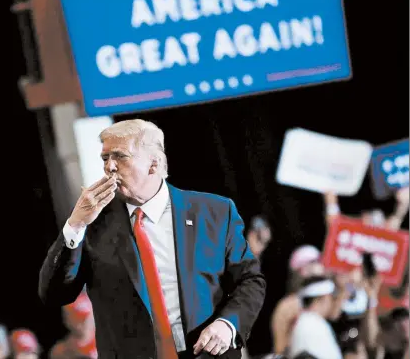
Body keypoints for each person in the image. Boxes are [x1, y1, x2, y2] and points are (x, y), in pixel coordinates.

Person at [38, 119, 266, 359]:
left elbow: (250, 280)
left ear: (154, 164)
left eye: (120, 156)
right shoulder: (92, 226)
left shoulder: (214, 212)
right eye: (105, 158)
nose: (110, 167)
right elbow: (54, 295)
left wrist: (228, 324)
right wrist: (75, 225)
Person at [289, 276, 343, 359]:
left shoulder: (307, 321)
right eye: (332, 298)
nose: (334, 302)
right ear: (322, 299)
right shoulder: (313, 325)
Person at [50, 291, 98, 359]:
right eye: (78, 317)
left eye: (85, 317)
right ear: (67, 320)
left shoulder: (106, 343)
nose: (84, 322)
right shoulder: (61, 351)